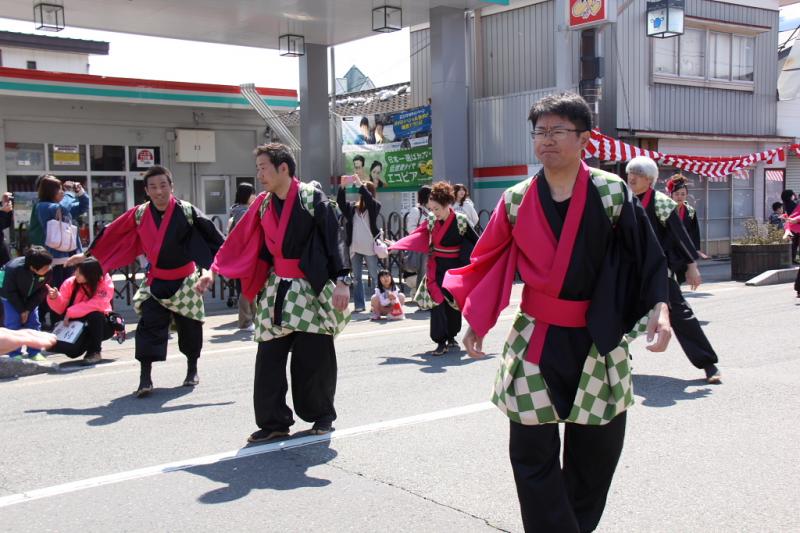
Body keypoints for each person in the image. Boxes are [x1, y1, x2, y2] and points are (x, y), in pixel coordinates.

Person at [442, 92, 671, 533]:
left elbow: (648, 258)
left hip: (598, 337)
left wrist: (660, 310)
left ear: (584, 138)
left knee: (597, 452)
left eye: (557, 131)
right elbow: (486, 261)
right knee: (530, 453)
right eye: (540, 132)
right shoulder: (515, 199)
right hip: (535, 339)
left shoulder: (611, 192)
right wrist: (476, 319)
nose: (546, 140)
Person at [197, 143, 350, 443]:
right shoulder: (264, 204)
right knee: (268, 357)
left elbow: (336, 236)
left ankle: (322, 415)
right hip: (276, 290)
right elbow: (239, 241)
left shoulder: (311, 197)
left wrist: (343, 279)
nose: (259, 175)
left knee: (313, 358)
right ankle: (274, 421)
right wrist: (213, 269)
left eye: (263, 168)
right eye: (258, 169)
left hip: (309, 288)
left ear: (284, 168)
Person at [67, 165, 225, 397]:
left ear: (171, 187)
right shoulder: (139, 214)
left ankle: (192, 368)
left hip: (186, 281)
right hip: (156, 280)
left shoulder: (187, 211)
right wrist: (87, 254)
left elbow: (216, 241)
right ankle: (145, 378)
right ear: (147, 190)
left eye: (163, 185)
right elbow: (111, 232)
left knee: (190, 329)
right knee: (147, 327)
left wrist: (211, 271)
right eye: (153, 187)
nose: (159, 191)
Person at [626, 156, 721, 384]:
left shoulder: (661, 202)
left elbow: (681, 237)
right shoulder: (623, 200)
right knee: (615, 314)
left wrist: (691, 266)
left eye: (637, 175)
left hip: (659, 271)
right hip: (628, 269)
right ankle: (618, 360)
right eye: (630, 173)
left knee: (680, 314)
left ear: (649, 179)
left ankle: (708, 363)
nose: (631, 178)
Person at [390, 181, 478, 355]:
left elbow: (478, 243)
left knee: (453, 304)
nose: (434, 212)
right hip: (436, 266)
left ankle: (451, 335)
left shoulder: (461, 221)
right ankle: (440, 341)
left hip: (455, 269)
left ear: (447, 205)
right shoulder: (431, 220)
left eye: (437, 209)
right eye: (432, 208)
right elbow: (416, 235)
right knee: (437, 302)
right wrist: (397, 245)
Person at [36, 176, 90, 330]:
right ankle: (57, 324)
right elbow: (63, 209)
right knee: (59, 293)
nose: (61, 191)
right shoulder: (43, 206)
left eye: (62, 188)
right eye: (58, 189)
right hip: (57, 260)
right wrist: (68, 193)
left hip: (72, 255)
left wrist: (80, 192)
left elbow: (83, 206)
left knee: (73, 291)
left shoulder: (62, 203)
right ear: (50, 191)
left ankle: (71, 322)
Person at [45, 258, 114, 364]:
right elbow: (61, 308)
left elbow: (99, 303)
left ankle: (95, 352)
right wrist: (55, 297)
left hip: (100, 324)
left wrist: (71, 312)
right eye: (76, 270)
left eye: (80, 273)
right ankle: (84, 344)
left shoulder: (104, 281)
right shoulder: (70, 282)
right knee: (73, 352)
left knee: (96, 316)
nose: (76, 274)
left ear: (91, 274)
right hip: (76, 323)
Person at [0, 246, 53, 361]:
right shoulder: (13, 269)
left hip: (30, 297)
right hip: (9, 296)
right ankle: (15, 354)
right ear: (33, 268)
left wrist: (28, 309)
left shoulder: (47, 270)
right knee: (13, 324)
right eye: (45, 267)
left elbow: (41, 291)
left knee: (34, 322)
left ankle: (34, 352)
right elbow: (10, 292)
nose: (49, 269)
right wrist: (21, 310)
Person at [338, 175, 381, 313]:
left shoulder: (374, 206)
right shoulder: (352, 208)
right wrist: (342, 187)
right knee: (356, 278)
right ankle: (359, 304)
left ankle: (379, 303)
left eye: (364, 190)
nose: (360, 192)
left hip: (370, 247)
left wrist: (360, 185)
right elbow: (340, 203)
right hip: (355, 247)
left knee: (375, 276)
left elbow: (369, 200)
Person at [228, 182, 257, 331]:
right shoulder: (243, 212)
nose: (255, 196)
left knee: (248, 286)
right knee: (247, 287)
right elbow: (246, 233)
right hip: (246, 254)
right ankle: (246, 321)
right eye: (253, 193)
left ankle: (252, 318)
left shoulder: (236, 210)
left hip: (241, 255)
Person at [667, 174, 708, 259]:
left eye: (683, 194)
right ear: (671, 195)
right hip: (669, 249)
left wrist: (696, 249)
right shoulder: (666, 210)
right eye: (677, 194)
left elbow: (695, 232)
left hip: (686, 249)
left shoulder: (690, 211)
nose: (680, 197)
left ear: (686, 195)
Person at [402, 185, 432, 290]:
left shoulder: (432, 211)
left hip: (431, 245)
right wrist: (423, 232)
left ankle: (427, 295)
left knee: (429, 272)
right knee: (422, 272)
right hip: (420, 245)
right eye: (431, 196)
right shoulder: (416, 210)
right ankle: (421, 297)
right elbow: (411, 229)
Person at [781, 189, 799, 264]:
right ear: (790, 196)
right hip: (795, 226)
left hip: (787, 226)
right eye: (792, 195)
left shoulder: (783, 205)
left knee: (788, 243)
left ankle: (786, 261)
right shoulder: (794, 204)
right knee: (794, 244)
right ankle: (792, 259)